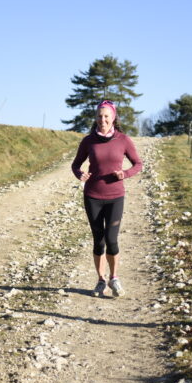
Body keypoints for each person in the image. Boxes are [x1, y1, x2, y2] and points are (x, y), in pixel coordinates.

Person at [71, 100, 143, 297]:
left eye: (106, 116)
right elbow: (76, 164)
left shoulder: (123, 140)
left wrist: (125, 174)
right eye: (99, 116)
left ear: (113, 118)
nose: (102, 120)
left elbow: (138, 164)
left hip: (115, 196)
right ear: (96, 118)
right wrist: (79, 174)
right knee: (98, 240)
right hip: (92, 196)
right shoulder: (88, 141)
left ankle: (114, 278)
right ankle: (101, 280)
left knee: (112, 239)